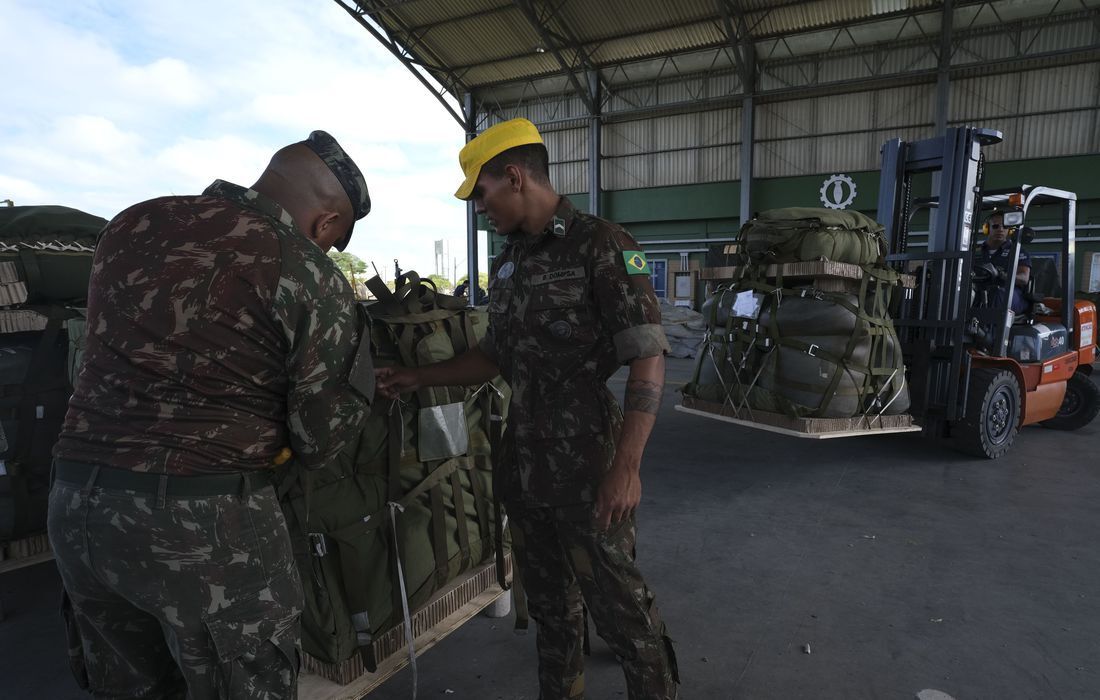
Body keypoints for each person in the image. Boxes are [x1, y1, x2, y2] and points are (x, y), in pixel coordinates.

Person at [48, 131, 374, 698]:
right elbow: (320, 440)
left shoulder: (131, 225)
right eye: (333, 241)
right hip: (206, 522)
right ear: (326, 225)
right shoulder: (303, 268)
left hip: (78, 506)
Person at [376, 118, 679, 699]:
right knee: (550, 609)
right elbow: (494, 354)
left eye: (482, 194)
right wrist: (419, 376)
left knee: (621, 610)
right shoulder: (512, 260)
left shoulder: (603, 244)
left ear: (515, 177)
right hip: (524, 462)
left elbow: (647, 358)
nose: (479, 209)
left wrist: (627, 466)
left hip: (589, 461)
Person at [974, 210, 1031, 314]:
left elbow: (1024, 278)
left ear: (1009, 230)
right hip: (980, 290)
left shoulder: (1018, 251)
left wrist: (1001, 275)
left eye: (1004, 227)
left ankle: (990, 329)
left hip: (1009, 293)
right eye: (995, 226)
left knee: (996, 294)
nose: (1000, 229)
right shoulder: (975, 252)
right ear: (986, 229)